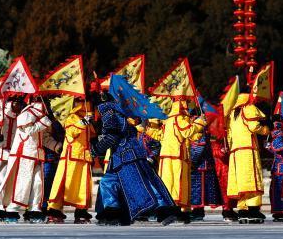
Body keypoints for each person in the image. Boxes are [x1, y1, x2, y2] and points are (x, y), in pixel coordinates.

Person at [92, 92, 178, 226]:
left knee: (142, 185)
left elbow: (111, 136)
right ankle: (112, 214)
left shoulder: (108, 112)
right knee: (108, 182)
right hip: (128, 154)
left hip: (125, 156)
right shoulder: (123, 111)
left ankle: (164, 211)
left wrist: (95, 149)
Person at [1, 98, 62, 223]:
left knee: (38, 184)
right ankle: (13, 210)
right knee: (23, 183)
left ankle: (34, 210)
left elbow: (44, 137)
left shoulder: (42, 116)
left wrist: (57, 146)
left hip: (37, 155)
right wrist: (45, 121)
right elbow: (29, 131)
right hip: (24, 154)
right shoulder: (26, 114)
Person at [145, 100, 205, 222]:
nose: (188, 108)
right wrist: (200, 123)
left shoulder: (168, 120)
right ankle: (177, 211)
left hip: (167, 156)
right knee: (178, 184)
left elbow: (161, 135)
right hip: (176, 156)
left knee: (168, 184)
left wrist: (146, 129)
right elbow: (187, 131)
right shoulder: (179, 118)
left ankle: (170, 210)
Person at [46, 99, 94, 224]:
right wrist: (84, 121)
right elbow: (72, 131)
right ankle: (54, 210)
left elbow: (91, 135)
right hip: (70, 157)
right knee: (62, 183)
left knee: (82, 185)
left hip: (84, 156)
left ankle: (81, 210)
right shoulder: (72, 117)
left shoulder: (87, 117)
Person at [226, 93, 270, 224]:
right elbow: (254, 126)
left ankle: (242, 209)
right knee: (252, 179)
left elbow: (229, 135)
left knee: (241, 182)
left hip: (235, 152)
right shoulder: (248, 108)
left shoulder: (233, 113)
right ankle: (253, 209)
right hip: (248, 149)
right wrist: (265, 130)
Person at [189, 119, 223, 220]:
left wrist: (192, 161)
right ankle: (196, 210)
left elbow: (199, 147)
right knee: (196, 190)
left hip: (201, 165)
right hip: (197, 165)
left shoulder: (199, 130)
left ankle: (198, 211)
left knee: (199, 190)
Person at [266, 114, 283, 221]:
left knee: (280, 190)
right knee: (277, 190)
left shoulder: (279, 132)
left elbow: (280, 147)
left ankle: (282, 211)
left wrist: (270, 145)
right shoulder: (280, 131)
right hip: (278, 166)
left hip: (281, 166)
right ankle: (281, 211)